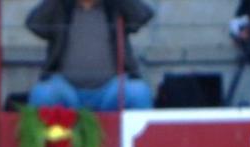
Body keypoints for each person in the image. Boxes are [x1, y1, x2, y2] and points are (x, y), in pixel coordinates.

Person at [25, 0, 155, 111]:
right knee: (43, 94)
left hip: (110, 90)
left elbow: (143, 16)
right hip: (67, 90)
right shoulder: (62, 8)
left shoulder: (114, 7)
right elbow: (34, 24)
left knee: (138, 92)